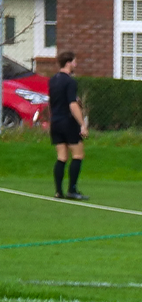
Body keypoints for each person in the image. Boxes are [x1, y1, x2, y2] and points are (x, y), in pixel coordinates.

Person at [46, 51, 87, 200]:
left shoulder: (53, 80)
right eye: (75, 61)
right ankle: (72, 190)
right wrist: (82, 124)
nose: (76, 64)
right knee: (78, 154)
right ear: (68, 62)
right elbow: (72, 104)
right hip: (68, 122)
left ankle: (58, 191)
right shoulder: (70, 81)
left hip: (55, 121)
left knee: (62, 156)